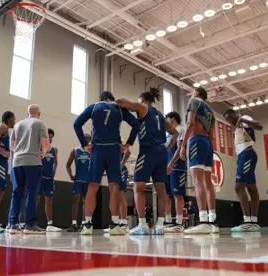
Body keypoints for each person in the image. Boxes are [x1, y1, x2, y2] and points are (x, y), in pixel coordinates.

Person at [74, 91, 139, 235]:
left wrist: (84, 144)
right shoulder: (119, 109)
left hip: (98, 149)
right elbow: (136, 124)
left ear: (101, 99)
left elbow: (76, 124)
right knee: (114, 186)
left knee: (92, 186)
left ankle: (87, 224)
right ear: (112, 99)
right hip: (113, 149)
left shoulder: (93, 107)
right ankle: (115, 224)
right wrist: (128, 144)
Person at [115, 88, 177, 235]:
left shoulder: (142, 107)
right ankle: (160, 225)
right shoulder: (161, 116)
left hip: (148, 151)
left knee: (138, 187)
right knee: (161, 189)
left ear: (142, 100)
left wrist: (113, 102)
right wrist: (167, 148)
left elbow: (122, 102)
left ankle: (142, 224)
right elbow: (175, 133)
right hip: (162, 153)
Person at [7, 104, 50, 234]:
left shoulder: (17, 125)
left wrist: (21, 151)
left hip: (17, 162)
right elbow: (46, 143)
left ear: (27, 114)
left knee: (17, 192)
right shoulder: (40, 123)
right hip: (33, 161)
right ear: (39, 114)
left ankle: (13, 224)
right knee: (32, 193)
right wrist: (43, 152)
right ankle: (30, 225)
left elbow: (12, 146)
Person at [181, 87, 218, 234]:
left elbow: (190, 124)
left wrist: (183, 145)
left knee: (197, 181)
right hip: (208, 143)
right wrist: (209, 150)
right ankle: (212, 221)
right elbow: (212, 135)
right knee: (208, 183)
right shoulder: (211, 112)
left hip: (196, 140)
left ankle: (202, 220)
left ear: (196, 93)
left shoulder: (194, 101)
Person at [224, 108, 263, 232]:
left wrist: (243, 119)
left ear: (233, 115)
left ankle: (247, 221)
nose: (228, 122)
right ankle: (254, 222)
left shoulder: (244, 119)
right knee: (251, 188)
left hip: (247, 154)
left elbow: (259, 126)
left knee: (238, 187)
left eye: (228, 119)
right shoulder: (238, 126)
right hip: (244, 155)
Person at [165, 111, 187, 233]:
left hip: (177, 166)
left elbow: (180, 148)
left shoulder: (180, 129)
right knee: (166, 195)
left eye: (167, 119)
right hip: (167, 167)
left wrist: (171, 163)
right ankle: (168, 222)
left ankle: (179, 223)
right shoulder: (168, 133)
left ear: (172, 118)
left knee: (177, 195)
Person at [37, 129, 61, 232]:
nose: (50, 138)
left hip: (49, 179)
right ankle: (30, 222)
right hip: (40, 178)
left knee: (49, 202)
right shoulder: (40, 147)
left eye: (52, 137)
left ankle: (50, 224)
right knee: (35, 200)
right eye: (49, 136)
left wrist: (54, 172)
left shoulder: (54, 149)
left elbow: (56, 162)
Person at [66, 133, 91, 232]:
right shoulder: (75, 150)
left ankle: (85, 223)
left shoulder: (91, 151)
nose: (86, 140)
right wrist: (71, 175)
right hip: (78, 180)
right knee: (75, 200)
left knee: (87, 202)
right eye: (85, 138)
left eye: (88, 138)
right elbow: (68, 165)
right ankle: (74, 224)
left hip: (88, 180)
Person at [104, 148, 131, 233]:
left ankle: (124, 224)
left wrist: (121, 165)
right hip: (112, 171)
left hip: (121, 170)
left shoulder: (117, 143)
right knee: (114, 197)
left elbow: (128, 152)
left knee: (120, 197)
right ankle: (117, 223)